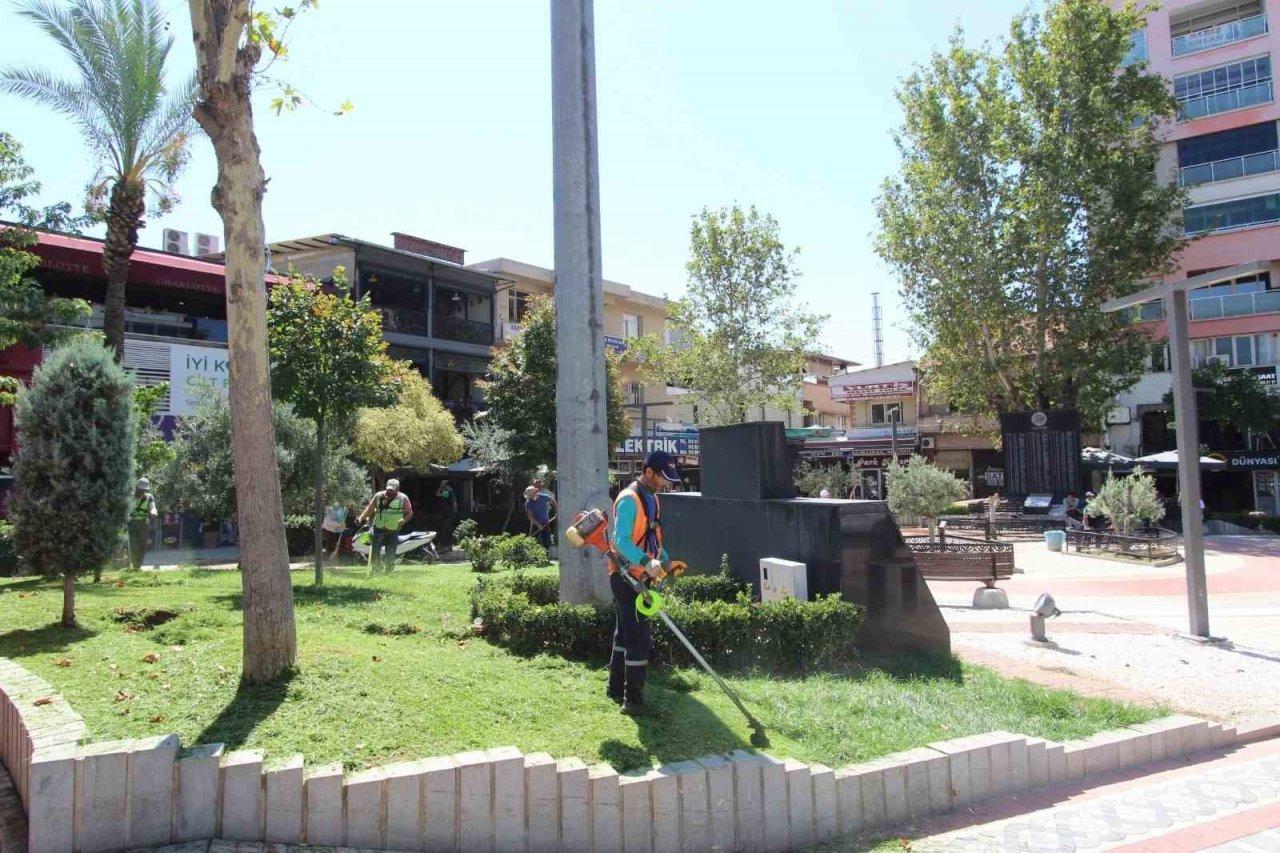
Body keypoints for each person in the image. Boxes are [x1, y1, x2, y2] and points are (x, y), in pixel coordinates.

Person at [608, 450, 681, 716]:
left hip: (642, 574)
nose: (665, 483)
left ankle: (614, 688)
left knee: (624, 633)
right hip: (626, 576)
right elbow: (620, 541)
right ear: (648, 472)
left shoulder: (652, 499)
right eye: (662, 478)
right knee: (639, 639)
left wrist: (664, 559)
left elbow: (652, 536)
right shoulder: (629, 500)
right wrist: (644, 561)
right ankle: (633, 701)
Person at [357, 479, 413, 573]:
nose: (389, 491)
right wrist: (360, 518)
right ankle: (376, 569)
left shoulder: (403, 498)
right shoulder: (378, 496)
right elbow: (370, 508)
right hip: (378, 528)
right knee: (375, 551)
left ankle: (389, 571)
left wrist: (404, 520)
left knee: (390, 551)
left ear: (398, 489)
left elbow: (409, 513)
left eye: (392, 490)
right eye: (388, 489)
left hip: (393, 530)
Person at [127, 478, 158, 569]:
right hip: (131, 523)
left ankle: (138, 566)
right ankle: (135, 565)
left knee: (143, 545)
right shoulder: (130, 496)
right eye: (141, 488)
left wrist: (153, 512)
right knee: (133, 545)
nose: (142, 490)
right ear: (137, 487)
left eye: (144, 489)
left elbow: (153, 507)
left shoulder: (149, 497)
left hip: (143, 523)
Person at [525, 479, 558, 550]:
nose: (529, 497)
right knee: (532, 542)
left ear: (535, 492)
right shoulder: (528, 502)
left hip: (545, 522)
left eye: (530, 495)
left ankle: (545, 557)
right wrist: (538, 524)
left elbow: (553, 502)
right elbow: (530, 516)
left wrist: (557, 512)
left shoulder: (544, 497)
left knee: (546, 542)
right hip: (535, 523)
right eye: (529, 496)